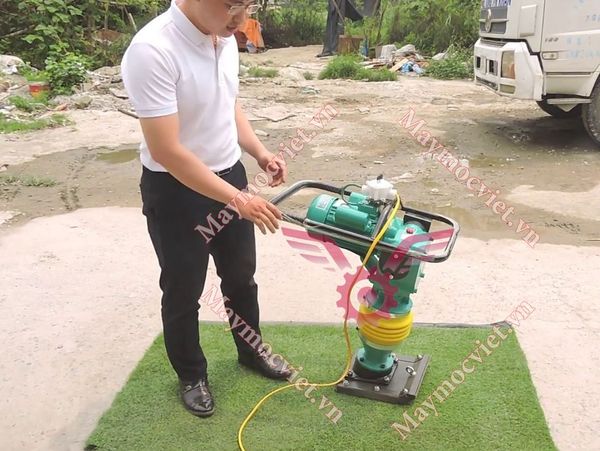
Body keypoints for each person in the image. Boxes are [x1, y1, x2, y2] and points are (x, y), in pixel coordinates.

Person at [121, 0, 292, 418]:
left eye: (247, 6)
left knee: (241, 278)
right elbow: (167, 150)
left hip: (229, 174)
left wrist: (259, 152)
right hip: (175, 189)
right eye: (232, 6)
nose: (241, 20)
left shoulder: (224, 37)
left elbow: (228, 103)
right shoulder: (153, 50)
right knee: (183, 289)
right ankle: (191, 375)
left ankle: (251, 352)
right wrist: (240, 200)